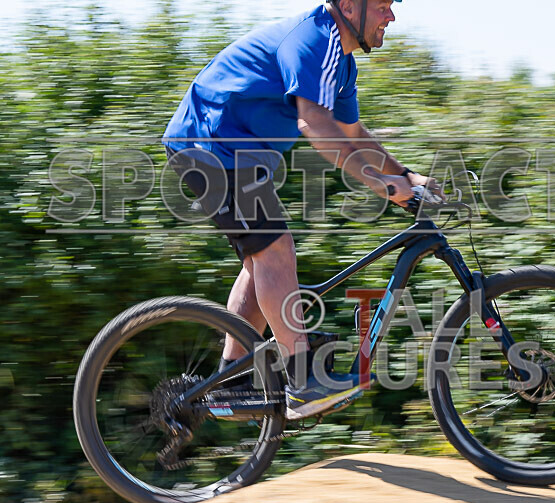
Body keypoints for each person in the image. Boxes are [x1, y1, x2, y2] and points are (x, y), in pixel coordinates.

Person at [163, 0, 441, 420]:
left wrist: (407, 174)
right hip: (212, 145)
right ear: (348, 5)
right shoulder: (315, 37)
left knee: (263, 263)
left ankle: (229, 380)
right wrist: (382, 184)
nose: (391, 16)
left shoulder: (342, 64)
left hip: (232, 154)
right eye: (382, 5)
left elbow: (352, 133)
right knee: (276, 250)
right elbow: (313, 123)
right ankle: (302, 383)